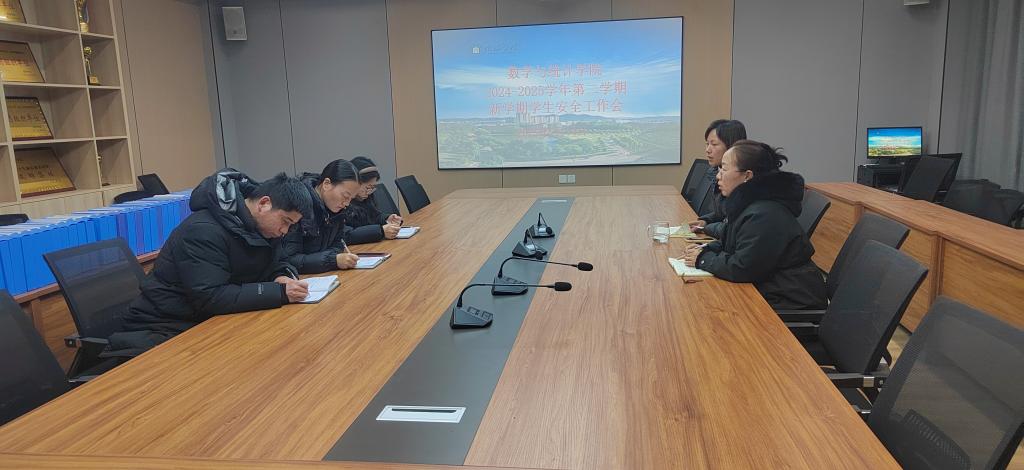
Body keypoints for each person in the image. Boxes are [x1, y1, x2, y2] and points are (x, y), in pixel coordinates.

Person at [104, 170, 313, 358]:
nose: (285, 231)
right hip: (163, 327)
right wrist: (278, 292)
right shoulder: (203, 231)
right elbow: (211, 297)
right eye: (285, 222)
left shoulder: (262, 229)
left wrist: (281, 276)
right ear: (264, 204)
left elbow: (277, 262)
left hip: (205, 321)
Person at [682, 140, 826, 310]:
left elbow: (743, 268)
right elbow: (733, 243)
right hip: (770, 286)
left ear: (747, 176)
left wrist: (703, 259)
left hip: (790, 297)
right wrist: (706, 249)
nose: (718, 176)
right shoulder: (749, 204)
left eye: (724, 169)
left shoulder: (764, 214)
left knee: (707, 306)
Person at [283, 159, 363, 273]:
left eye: (351, 199)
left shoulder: (336, 210)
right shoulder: (298, 207)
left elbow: (338, 244)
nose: (347, 203)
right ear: (326, 184)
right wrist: (332, 260)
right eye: (345, 196)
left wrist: (334, 259)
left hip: (324, 274)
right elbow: (290, 260)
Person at [687, 119, 746, 239]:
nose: (707, 150)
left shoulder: (741, 178)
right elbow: (723, 212)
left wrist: (707, 228)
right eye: (707, 144)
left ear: (732, 147)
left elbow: (733, 227)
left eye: (714, 144)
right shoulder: (714, 171)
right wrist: (706, 221)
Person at [341, 156, 403, 245]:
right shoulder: (341, 203)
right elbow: (346, 234)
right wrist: (381, 231)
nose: (369, 192)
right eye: (367, 187)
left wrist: (386, 219)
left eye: (372, 188)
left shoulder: (366, 198)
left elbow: (374, 216)